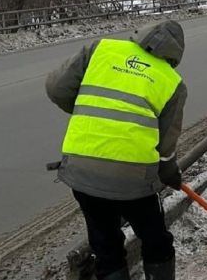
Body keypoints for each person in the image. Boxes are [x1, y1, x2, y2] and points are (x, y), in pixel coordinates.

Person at [45, 20, 187, 280]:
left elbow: (56, 88)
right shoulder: (171, 81)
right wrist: (170, 172)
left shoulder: (101, 49)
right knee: (156, 241)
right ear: (175, 54)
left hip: (82, 171)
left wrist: (87, 110)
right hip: (134, 180)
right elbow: (166, 147)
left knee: (106, 246)